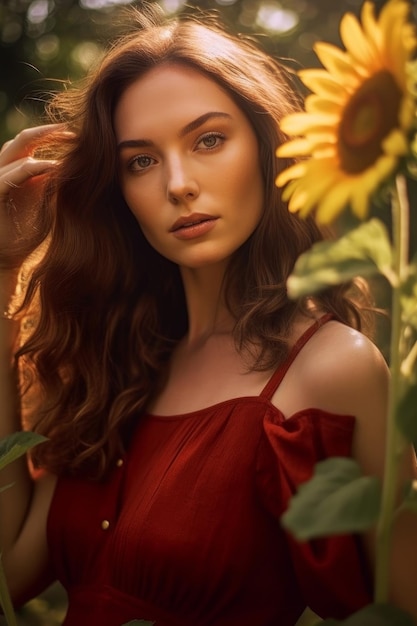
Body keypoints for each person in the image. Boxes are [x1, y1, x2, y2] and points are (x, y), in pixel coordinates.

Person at [0, 4, 416, 625]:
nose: (178, 183)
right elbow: (10, 573)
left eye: (209, 140)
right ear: (119, 192)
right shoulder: (116, 361)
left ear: (270, 148)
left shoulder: (333, 369)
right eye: (141, 160)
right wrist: (3, 275)